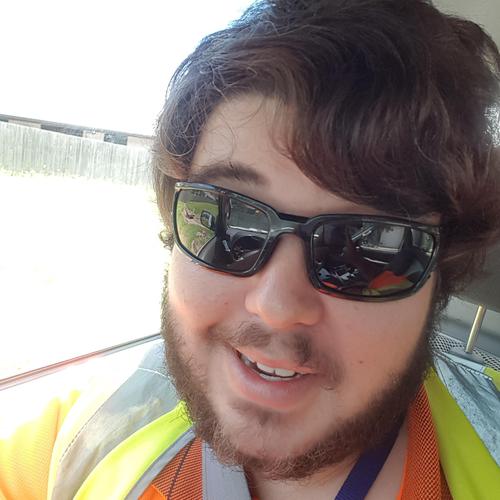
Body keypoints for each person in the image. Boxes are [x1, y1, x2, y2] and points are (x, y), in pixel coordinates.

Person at [1, 1, 500, 498]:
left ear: (442, 273)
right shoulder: (85, 433)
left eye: (368, 245)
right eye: (229, 218)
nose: (276, 306)